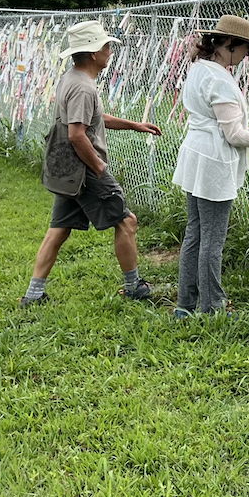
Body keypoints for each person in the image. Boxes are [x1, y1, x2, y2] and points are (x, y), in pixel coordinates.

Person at [22, 19, 163, 306]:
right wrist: (99, 168)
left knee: (59, 229)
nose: (111, 51)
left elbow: (92, 119)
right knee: (127, 222)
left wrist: (134, 125)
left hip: (69, 171)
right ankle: (133, 286)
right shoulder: (84, 88)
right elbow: (77, 135)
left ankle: (33, 295)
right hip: (85, 171)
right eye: (107, 46)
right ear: (94, 53)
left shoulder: (72, 79)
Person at [171, 14, 249, 317]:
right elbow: (233, 134)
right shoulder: (219, 79)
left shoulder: (199, 69)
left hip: (197, 154)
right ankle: (212, 307)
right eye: (247, 48)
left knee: (195, 232)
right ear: (231, 44)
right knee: (212, 238)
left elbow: (218, 123)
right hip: (213, 162)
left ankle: (186, 304)